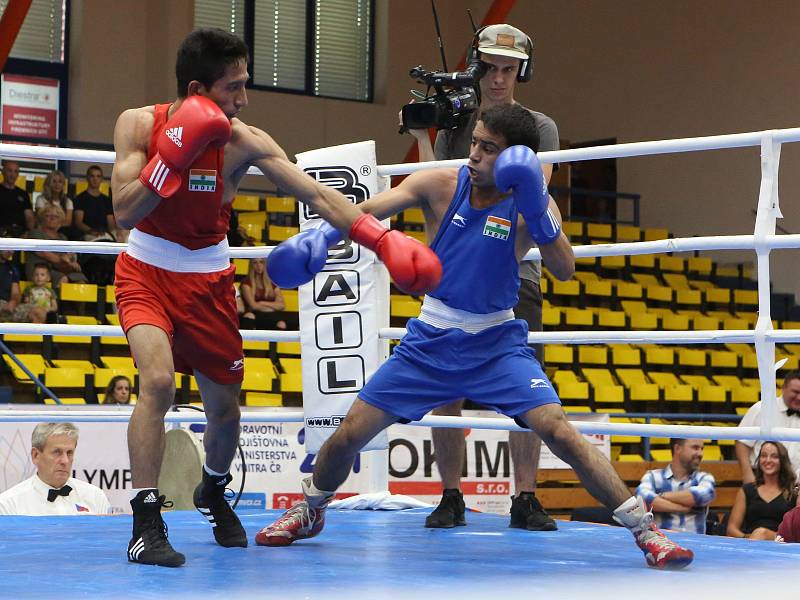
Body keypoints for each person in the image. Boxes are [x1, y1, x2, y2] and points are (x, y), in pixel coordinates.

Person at [256, 104, 693, 569]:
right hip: (430, 340)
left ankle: (646, 532)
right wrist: (322, 237)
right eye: (475, 143)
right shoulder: (439, 184)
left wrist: (538, 211)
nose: (475, 155)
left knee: (559, 431)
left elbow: (565, 270)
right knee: (347, 436)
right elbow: (363, 211)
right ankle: (310, 509)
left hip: (496, 342)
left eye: (489, 149)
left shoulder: (534, 204)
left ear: (513, 158)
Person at [110, 27, 440, 568]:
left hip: (209, 280)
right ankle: (146, 522)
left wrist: (379, 239)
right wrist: (171, 157)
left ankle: (212, 489)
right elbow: (124, 211)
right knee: (158, 382)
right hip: (145, 269)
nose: (242, 100)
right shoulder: (139, 124)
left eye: (246, 85)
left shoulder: (245, 140)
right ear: (197, 88)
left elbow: (315, 194)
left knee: (224, 412)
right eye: (232, 88)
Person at [404, 23, 559, 530]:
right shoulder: (457, 125)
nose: (496, 78)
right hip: (455, 265)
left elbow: (530, 197)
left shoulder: (539, 126)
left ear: (521, 72)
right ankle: (450, 494)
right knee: (445, 388)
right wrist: (424, 138)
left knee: (528, 389)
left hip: (515, 266)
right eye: (489, 68)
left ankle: (526, 497)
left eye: (507, 69)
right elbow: (436, 188)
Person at [0, 422, 111, 515]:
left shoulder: (96, 497)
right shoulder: (8, 505)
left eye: (69, 453)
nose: (65, 461)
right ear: (35, 455)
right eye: (57, 452)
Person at [636, 438, 716, 534]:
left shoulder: (704, 477)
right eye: (695, 448)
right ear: (677, 448)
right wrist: (682, 508)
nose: (700, 454)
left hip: (695, 546)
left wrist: (660, 496)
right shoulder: (652, 476)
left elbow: (701, 496)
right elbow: (642, 499)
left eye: (702, 449)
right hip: (662, 545)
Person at [735, 371, 800, 484]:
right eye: (795, 392)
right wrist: (747, 474)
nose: (799, 397)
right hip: (761, 479)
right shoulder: (762, 408)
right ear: (783, 388)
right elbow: (742, 443)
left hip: (795, 484)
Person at [727, 441, 797, 540]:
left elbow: (795, 529)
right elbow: (731, 529)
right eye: (763, 456)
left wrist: (766, 535)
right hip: (749, 542)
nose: (768, 460)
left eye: (774, 456)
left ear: (782, 460)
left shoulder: (793, 492)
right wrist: (751, 537)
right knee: (760, 533)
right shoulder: (747, 490)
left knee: (762, 533)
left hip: (780, 543)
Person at [25, 205, 87, 288]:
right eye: (48, 216)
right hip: (39, 269)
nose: (52, 218)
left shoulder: (63, 237)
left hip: (60, 268)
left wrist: (71, 262)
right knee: (62, 278)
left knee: (80, 280)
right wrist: (64, 260)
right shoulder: (35, 233)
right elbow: (43, 253)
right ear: (42, 219)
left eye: (56, 217)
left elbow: (69, 255)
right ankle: (54, 300)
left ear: (60, 221)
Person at [239, 257, 286, 330]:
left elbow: (281, 305)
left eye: (261, 262)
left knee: (282, 324)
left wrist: (261, 302)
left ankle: (275, 341)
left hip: (271, 315)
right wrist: (272, 307)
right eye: (255, 263)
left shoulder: (272, 283)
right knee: (249, 316)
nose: (258, 265)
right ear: (251, 265)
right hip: (255, 314)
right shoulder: (246, 283)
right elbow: (253, 306)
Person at [73, 165, 116, 240]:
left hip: (105, 234)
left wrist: (110, 233)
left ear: (102, 179)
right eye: (92, 176)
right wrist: (92, 232)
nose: (95, 179)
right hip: (87, 235)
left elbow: (111, 224)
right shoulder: (80, 198)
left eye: (98, 176)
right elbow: (78, 223)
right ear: (87, 178)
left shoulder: (107, 200)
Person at [0, 159, 35, 236]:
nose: (12, 175)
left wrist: (28, 232)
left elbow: (29, 217)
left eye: (16, 171)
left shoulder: (23, 194)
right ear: (3, 172)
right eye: (10, 171)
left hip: (20, 233)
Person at [33, 169, 74, 234]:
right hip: (44, 231)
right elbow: (41, 219)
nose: (57, 184)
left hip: (62, 231)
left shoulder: (68, 202)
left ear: (63, 185)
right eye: (54, 181)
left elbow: (68, 222)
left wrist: (54, 227)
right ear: (49, 183)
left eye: (60, 182)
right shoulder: (41, 199)